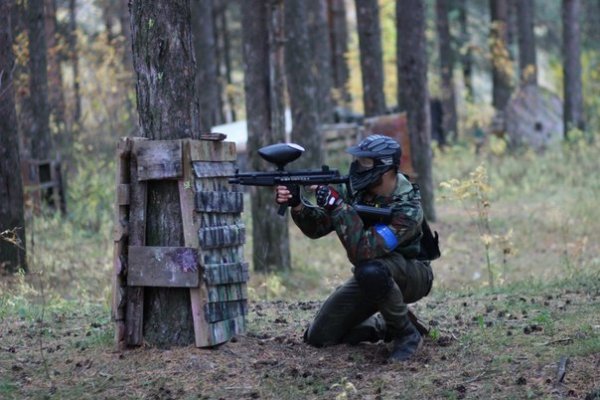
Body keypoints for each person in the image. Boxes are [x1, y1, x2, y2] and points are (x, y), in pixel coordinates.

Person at [275, 134, 434, 362]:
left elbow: (363, 252)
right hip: (374, 275)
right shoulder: (357, 190)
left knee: (370, 270)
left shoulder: (408, 208)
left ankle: (406, 335)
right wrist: (299, 205)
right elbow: (318, 228)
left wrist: (338, 207)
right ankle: (388, 323)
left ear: (386, 167)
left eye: (366, 163)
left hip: (412, 274)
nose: (359, 167)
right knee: (320, 336)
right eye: (359, 161)